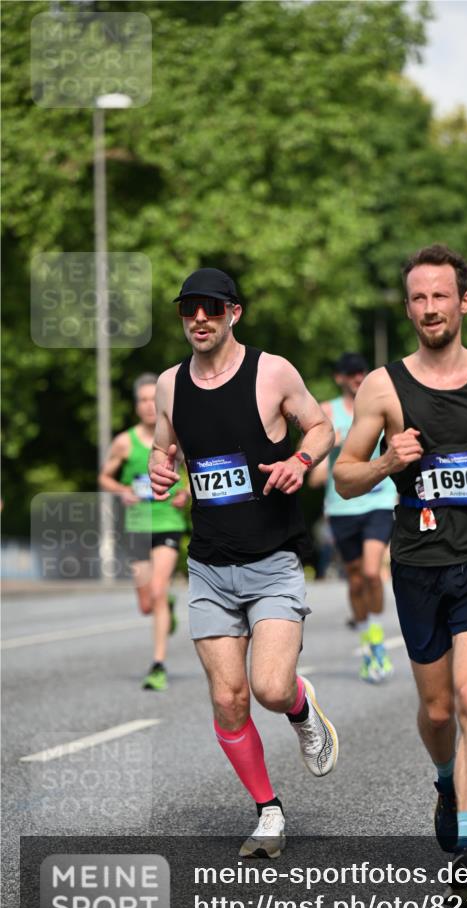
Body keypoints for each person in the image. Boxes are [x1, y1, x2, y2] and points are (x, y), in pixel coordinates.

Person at [334, 244, 467, 894]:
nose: (429, 308)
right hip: (418, 562)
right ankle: (446, 782)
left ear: (463, 302)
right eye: (418, 298)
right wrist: (386, 463)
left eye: (440, 296)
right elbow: (342, 478)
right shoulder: (383, 386)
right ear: (408, 307)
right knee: (440, 708)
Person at [148, 267, 338, 858]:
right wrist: (159, 467)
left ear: (235, 312)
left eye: (210, 307)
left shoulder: (272, 372)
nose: (198, 318)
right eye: (188, 309)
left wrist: (301, 460)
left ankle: (301, 708)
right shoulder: (169, 385)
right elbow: (164, 446)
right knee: (229, 699)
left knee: (270, 687)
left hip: (273, 558)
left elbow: (323, 425)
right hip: (208, 564)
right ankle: (268, 810)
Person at [309, 352, 396, 683]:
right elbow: (314, 474)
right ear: (339, 378)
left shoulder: (378, 405)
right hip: (342, 505)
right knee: (356, 577)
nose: (358, 378)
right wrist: (332, 447)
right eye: (351, 374)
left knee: (373, 571)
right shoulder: (327, 412)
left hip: (379, 499)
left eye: (362, 372)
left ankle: (376, 639)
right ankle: (367, 640)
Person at [98, 373, 189, 691]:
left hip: (167, 523)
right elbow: (104, 478)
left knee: (159, 590)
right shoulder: (125, 441)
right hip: (136, 525)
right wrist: (122, 490)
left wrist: (186, 494)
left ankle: (158, 664)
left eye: (154, 399)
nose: (150, 406)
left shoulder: (177, 439)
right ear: (136, 406)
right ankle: (167, 609)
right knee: (146, 603)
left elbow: (193, 473)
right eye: (143, 400)